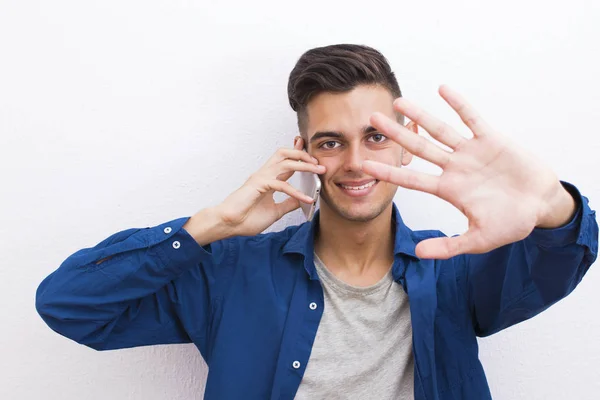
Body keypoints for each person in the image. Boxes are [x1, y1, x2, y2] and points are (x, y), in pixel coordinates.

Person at [36, 44, 598, 400]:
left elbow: (559, 258)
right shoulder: (229, 272)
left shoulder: (453, 269)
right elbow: (69, 304)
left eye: (376, 136)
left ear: (407, 147)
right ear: (305, 151)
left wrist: (551, 206)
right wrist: (210, 225)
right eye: (333, 142)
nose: (356, 162)